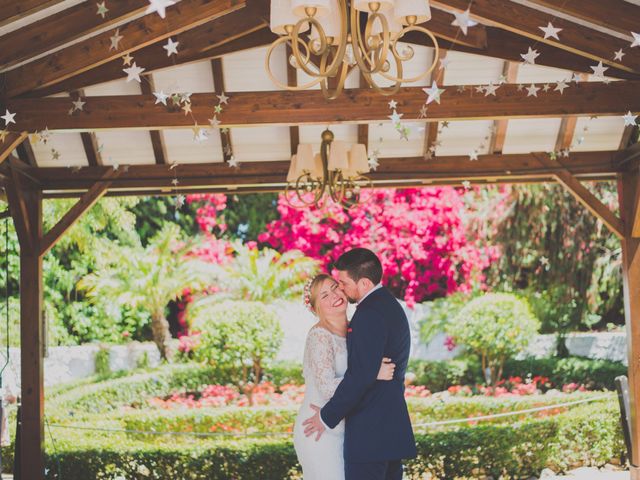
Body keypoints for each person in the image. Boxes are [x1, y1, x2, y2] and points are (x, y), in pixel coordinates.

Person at [303, 248, 417, 480]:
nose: (340, 289)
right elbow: (366, 372)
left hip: (370, 435)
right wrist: (373, 373)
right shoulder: (389, 305)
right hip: (387, 431)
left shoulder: (368, 315)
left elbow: (360, 376)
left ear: (364, 283)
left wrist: (326, 417)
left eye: (342, 283)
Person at [293, 273, 396, 480]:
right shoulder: (320, 336)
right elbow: (328, 388)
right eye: (324, 296)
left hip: (346, 429)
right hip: (318, 428)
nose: (333, 296)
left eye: (334, 287)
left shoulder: (354, 329)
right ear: (315, 308)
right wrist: (373, 374)